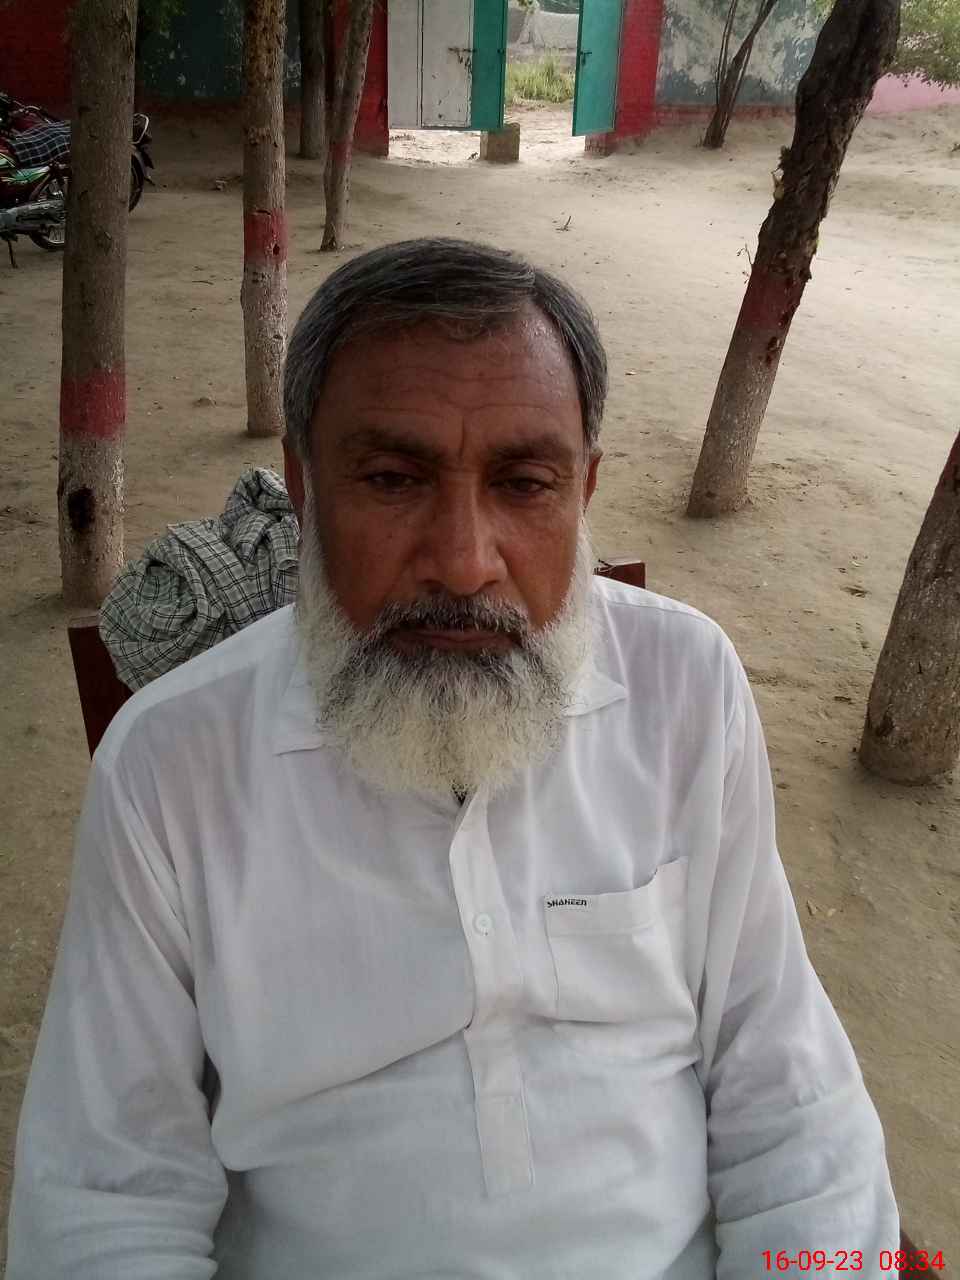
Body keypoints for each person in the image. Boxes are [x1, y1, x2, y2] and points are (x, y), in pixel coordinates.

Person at [7, 239, 898, 1278]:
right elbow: (108, 1201)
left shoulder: (686, 687)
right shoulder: (169, 767)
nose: (466, 561)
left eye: (525, 483)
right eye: (393, 479)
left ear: (584, 492)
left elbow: (788, 1090)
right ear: (303, 488)